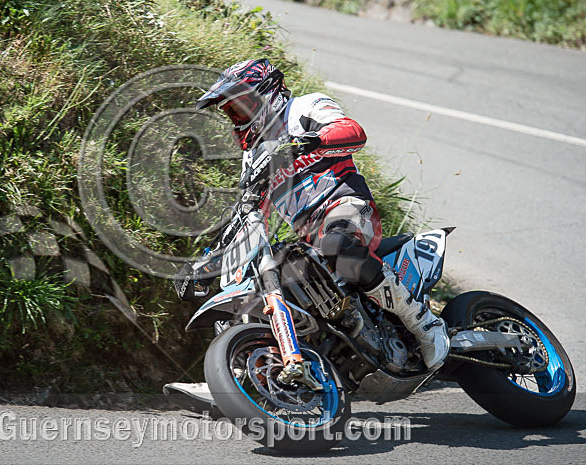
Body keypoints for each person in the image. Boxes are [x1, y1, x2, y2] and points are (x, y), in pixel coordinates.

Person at [178, 58, 449, 373]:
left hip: (346, 207)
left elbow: (354, 133)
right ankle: (244, 370)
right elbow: (248, 215)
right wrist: (206, 263)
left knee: (338, 244)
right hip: (310, 239)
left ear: (265, 95)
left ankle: (423, 323)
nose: (236, 118)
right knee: (262, 278)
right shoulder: (252, 157)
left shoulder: (304, 108)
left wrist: (305, 143)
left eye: (239, 108)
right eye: (230, 112)